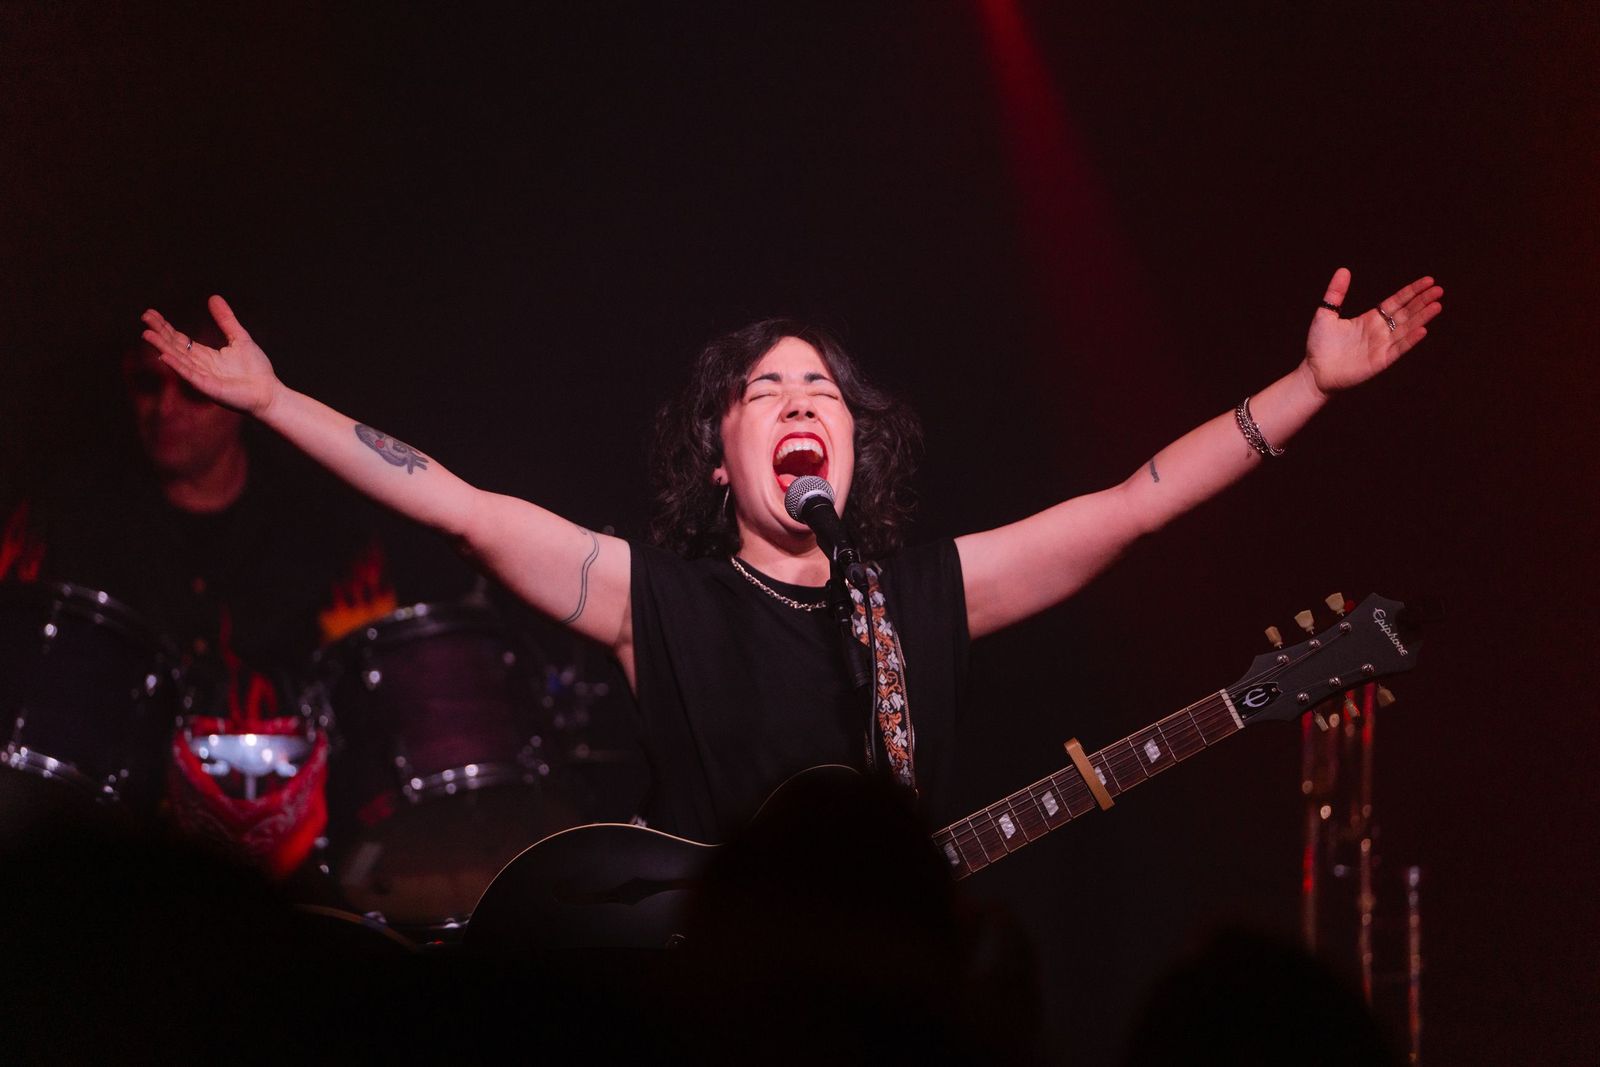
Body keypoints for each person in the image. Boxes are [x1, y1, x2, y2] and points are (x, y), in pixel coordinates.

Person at [141, 269, 1442, 844]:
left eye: (822, 387)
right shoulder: (659, 602)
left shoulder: (928, 594)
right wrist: (270, 402)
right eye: (765, 389)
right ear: (721, 456)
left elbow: (1133, 503)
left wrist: (1308, 389)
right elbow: (461, 505)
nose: (803, 399)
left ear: (856, 447)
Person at [2, 309, 473, 877]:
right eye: (148, 384)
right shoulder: (65, 518)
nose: (165, 409)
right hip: (116, 853)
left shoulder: (324, 530)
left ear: (236, 399)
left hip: (299, 850)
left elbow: (371, 697)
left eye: (194, 391)